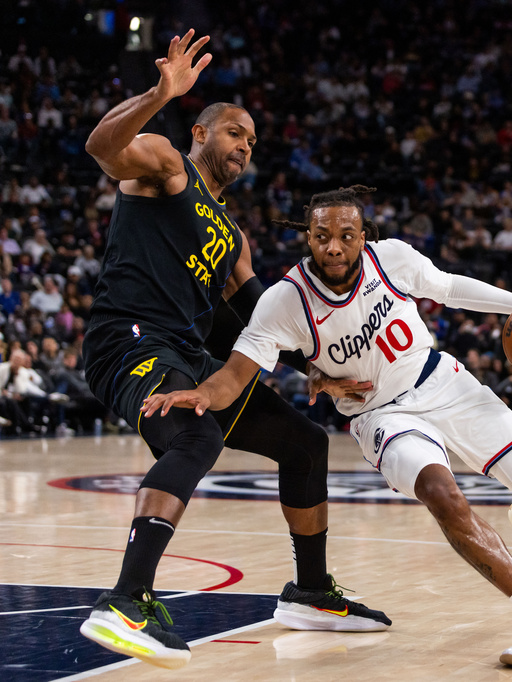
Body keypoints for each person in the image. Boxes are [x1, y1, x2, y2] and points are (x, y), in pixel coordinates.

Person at [142, 186, 512, 669]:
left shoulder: (392, 259)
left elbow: (450, 288)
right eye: (322, 236)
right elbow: (237, 371)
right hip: (380, 416)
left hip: (441, 381)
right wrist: (205, 394)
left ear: (363, 236)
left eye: (346, 235)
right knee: (442, 494)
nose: (334, 246)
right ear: (308, 238)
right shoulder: (284, 301)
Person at [77, 31, 389, 670]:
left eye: (252, 139)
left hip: (189, 351)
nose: (246, 145)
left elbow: (250, 317)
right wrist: (159, 93)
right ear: (201, 134)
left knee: (304, 443)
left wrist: (316, 370)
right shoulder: (166, 164)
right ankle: (125, 601)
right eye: (234, 133)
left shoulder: (232, 236)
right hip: (128, 341)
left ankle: (309, 591)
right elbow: (102, 147)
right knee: (197, 437)